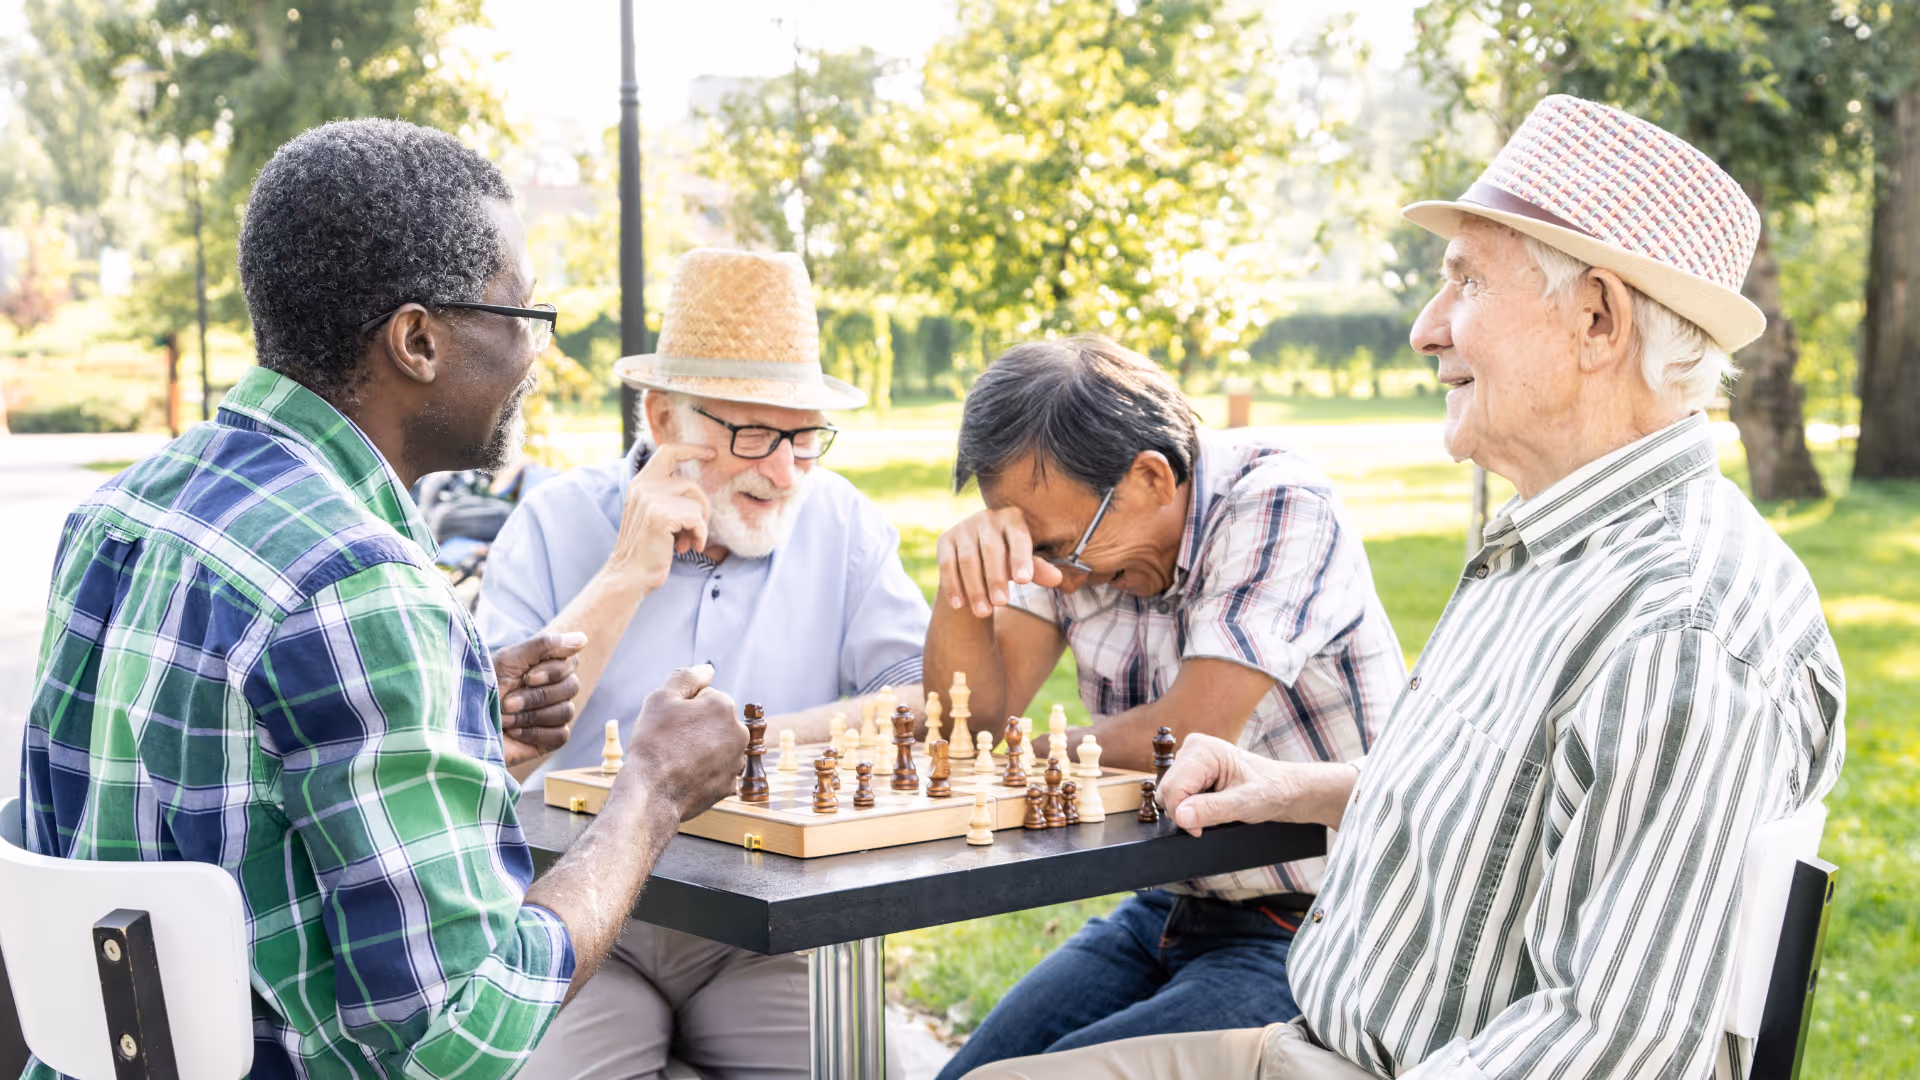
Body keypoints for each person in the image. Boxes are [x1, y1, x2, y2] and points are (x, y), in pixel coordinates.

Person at [959, 95, 1846, 1080]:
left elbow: (1612, 1044)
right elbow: (1514, 805)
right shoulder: (1553, 548)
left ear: (1597, 317)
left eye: (1465, 282)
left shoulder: (1683, 627)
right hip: (1321, 1035)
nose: (1428, 329)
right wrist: (1298, 786)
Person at [18, 119, 746, 1079]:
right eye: (521, 317)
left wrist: (456, 717)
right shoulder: (360, 586)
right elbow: (459, 1038)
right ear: (418, 340)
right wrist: (648, 796)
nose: (535, 357)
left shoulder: (122, 511)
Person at [476, 248, 931, 1079]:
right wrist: (625, 575)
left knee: (872, 1070)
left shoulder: (842, 522)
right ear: (661, 421)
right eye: (754, 433)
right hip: (576, 914)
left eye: (803, 438)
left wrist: (739, 747)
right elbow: (499, 753)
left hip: (768, 926)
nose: (785, 471)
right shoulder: (551, 522)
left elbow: (919, 702)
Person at [924, 336, 1408, 1077]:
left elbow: (1188, 734)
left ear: (1151, 477)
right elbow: (967, 734)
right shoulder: (1075, 535)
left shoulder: (1278, 505)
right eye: (1027, 550)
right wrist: (965, 586)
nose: (1051, 578)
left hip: (1328, 925)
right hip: (1170, 907)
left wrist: (1030, 752)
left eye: (1054, 550)